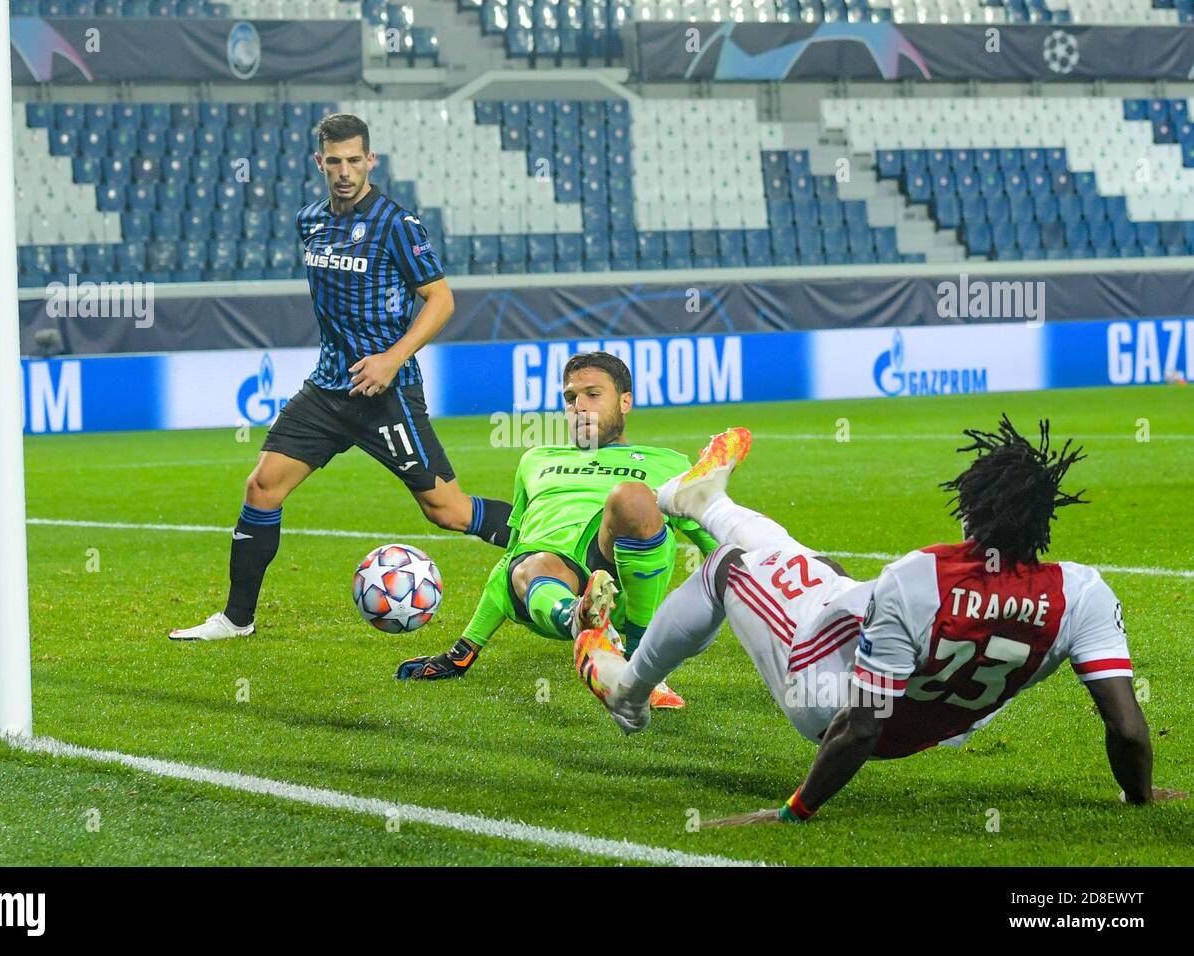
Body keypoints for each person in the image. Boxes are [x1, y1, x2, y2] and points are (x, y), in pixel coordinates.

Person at [577, 418, 1186, 821]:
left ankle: (629, 692)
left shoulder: (921, 575)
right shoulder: (1083, 594)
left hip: (822, 692)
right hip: (933, 725)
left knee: (729, 567)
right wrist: (1139, 796)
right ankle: (708, 501)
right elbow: (1129, 728)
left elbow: (861, 727)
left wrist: (795, 810)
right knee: (808, 567)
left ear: (970, 508)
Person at [171, 113, 511, 641]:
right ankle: (237, 619)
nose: (346, 171)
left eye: (355, 160)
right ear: (320, 163)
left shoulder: (397, 224)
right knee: (261, 487)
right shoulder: (309, 220)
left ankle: (559, 548)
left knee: (446, 510)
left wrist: (392, 359)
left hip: (386, 392)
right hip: (328, 389)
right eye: (335, 161)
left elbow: (441, 300)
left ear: (370, 160)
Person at [396, 350, 719, 711]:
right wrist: (463, 650)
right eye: (570, 398)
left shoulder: (669, 463)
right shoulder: (536, 460)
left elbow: (715, 545)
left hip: (616, 572)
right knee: (534, 561)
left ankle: (641, 663)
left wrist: (762, 604)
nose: (579, 406)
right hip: (545, 584)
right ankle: (578, 618)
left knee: (631, 498)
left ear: (625, 401)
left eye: (593, 395)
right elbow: (512, 555)